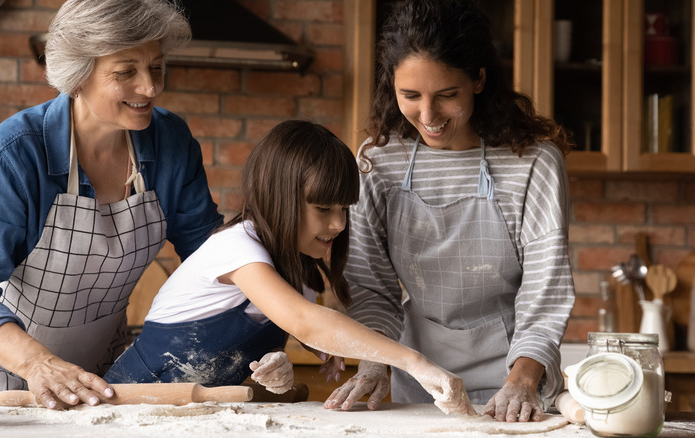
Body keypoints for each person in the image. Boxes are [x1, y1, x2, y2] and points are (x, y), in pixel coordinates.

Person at [0, 0, 224, 409]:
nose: (151, 87)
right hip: (2, 380)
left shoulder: (171, 143)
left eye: (156, 67)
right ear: (78, 75)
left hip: (104, 379)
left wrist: (272, 320)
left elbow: (212, 259)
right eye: (126, 72)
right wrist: (39, 364)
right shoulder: (13, 156)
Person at [104, 120, 475, 416]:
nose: (339, 225)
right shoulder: (236, 249)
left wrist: (278, 379)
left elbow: (291, 354)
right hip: (127, 408)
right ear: (278, 198)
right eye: (323, 210)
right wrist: (415, 362)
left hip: (197, 419)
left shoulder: (298, 276)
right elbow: (306, 322)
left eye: (344, 209)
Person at [324, 0, 576, 423]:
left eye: (446, 95)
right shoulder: (377, 160)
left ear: (478, 79)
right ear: (391, 86)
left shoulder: (532, 163)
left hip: (513, 379)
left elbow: (544, 291)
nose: (428, 116)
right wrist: (374, 362)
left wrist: (523, 380)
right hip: (417, 375)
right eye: (410, 95)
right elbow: (370, 283)